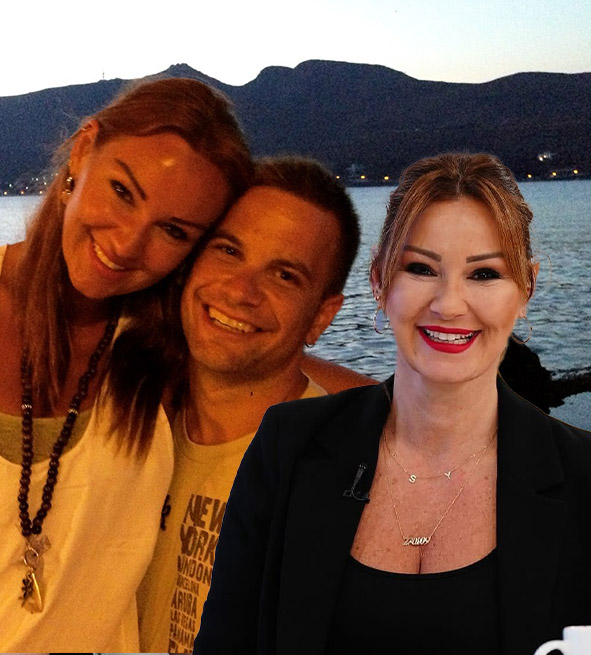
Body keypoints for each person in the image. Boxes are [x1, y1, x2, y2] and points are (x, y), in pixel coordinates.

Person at [194, 152, 591, 655]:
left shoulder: (583, 477)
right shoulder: (286, 447)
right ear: (380, 280)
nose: (449, 304)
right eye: (421, 268)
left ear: (526, 288)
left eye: (484, 274)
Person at [0, 77, 253, 652]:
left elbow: (295, 377)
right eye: (123, 192)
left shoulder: (168, 354)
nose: (128, 244)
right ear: (84, 150)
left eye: (173, 231)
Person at [136, 155, 370, 653]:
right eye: (228, 250)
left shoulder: (340, 487)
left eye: (285, 276)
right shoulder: (134, 425)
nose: (241, 291)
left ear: (321, 316)